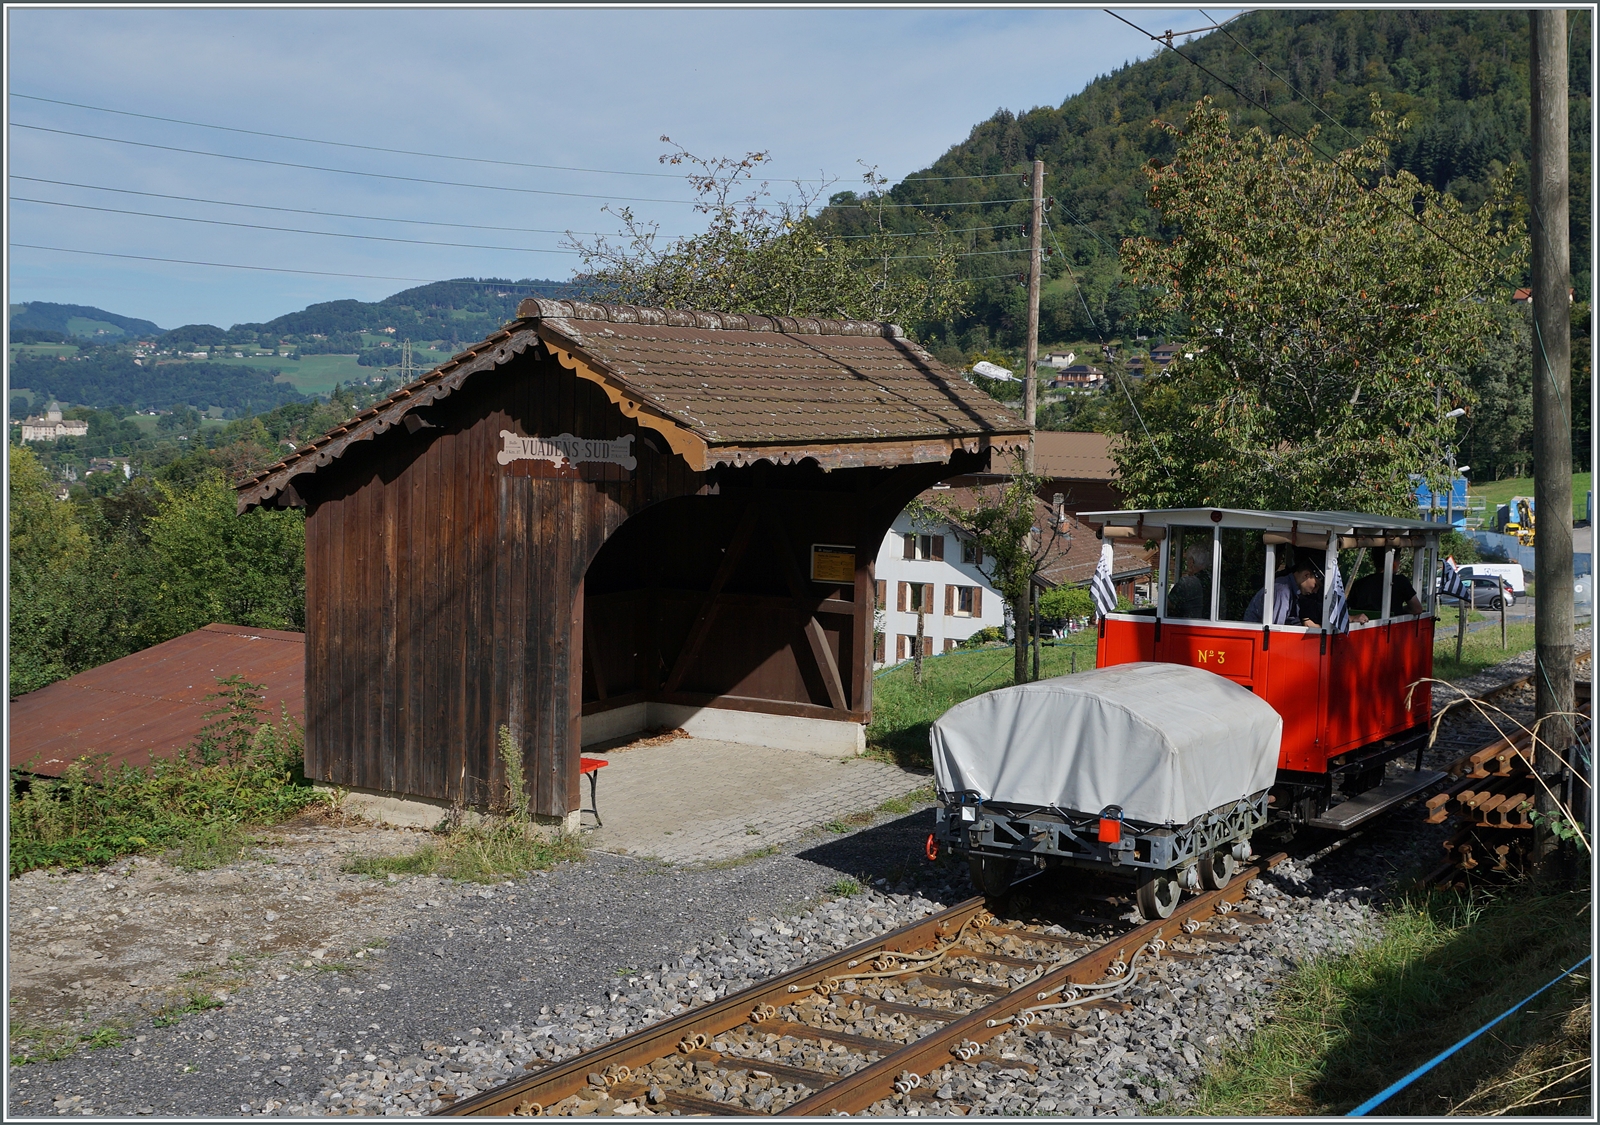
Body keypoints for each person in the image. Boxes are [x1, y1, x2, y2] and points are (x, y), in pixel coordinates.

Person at [1243, 556, 1321, 626]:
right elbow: (1276, 630)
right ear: (1306, 575)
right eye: (1316, 585)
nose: (1315, 591)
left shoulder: (1292, 591)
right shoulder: (1282, 591)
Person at [1347, 561, 1423, 623]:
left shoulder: (1359, 583)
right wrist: (1399, 610)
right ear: (1393, 563)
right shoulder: (1400, 581)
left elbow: (1350, 609)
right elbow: (1417, 609)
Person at [1167, 543, 1212, 619]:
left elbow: (1167, 605)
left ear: (1191, 562)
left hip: (1185, 627)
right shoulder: (1213, 581)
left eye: (1187, 560)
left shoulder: (1186, 583)